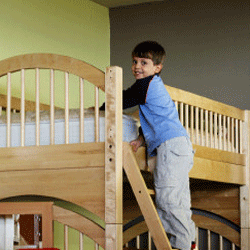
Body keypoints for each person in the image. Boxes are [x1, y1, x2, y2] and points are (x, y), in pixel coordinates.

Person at [101, 41, 196, 250]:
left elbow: (122, 98)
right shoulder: (153, 88)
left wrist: (99, 109)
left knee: (168, 200)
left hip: (171, 147)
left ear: (157, 68)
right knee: (178, 200)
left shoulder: (146, 85)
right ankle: (188, 242)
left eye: (144, 62)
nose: (137, 67)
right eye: (135, 61)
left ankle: (181, 245)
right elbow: (157, 120)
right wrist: (141, 139)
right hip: (179, 146)